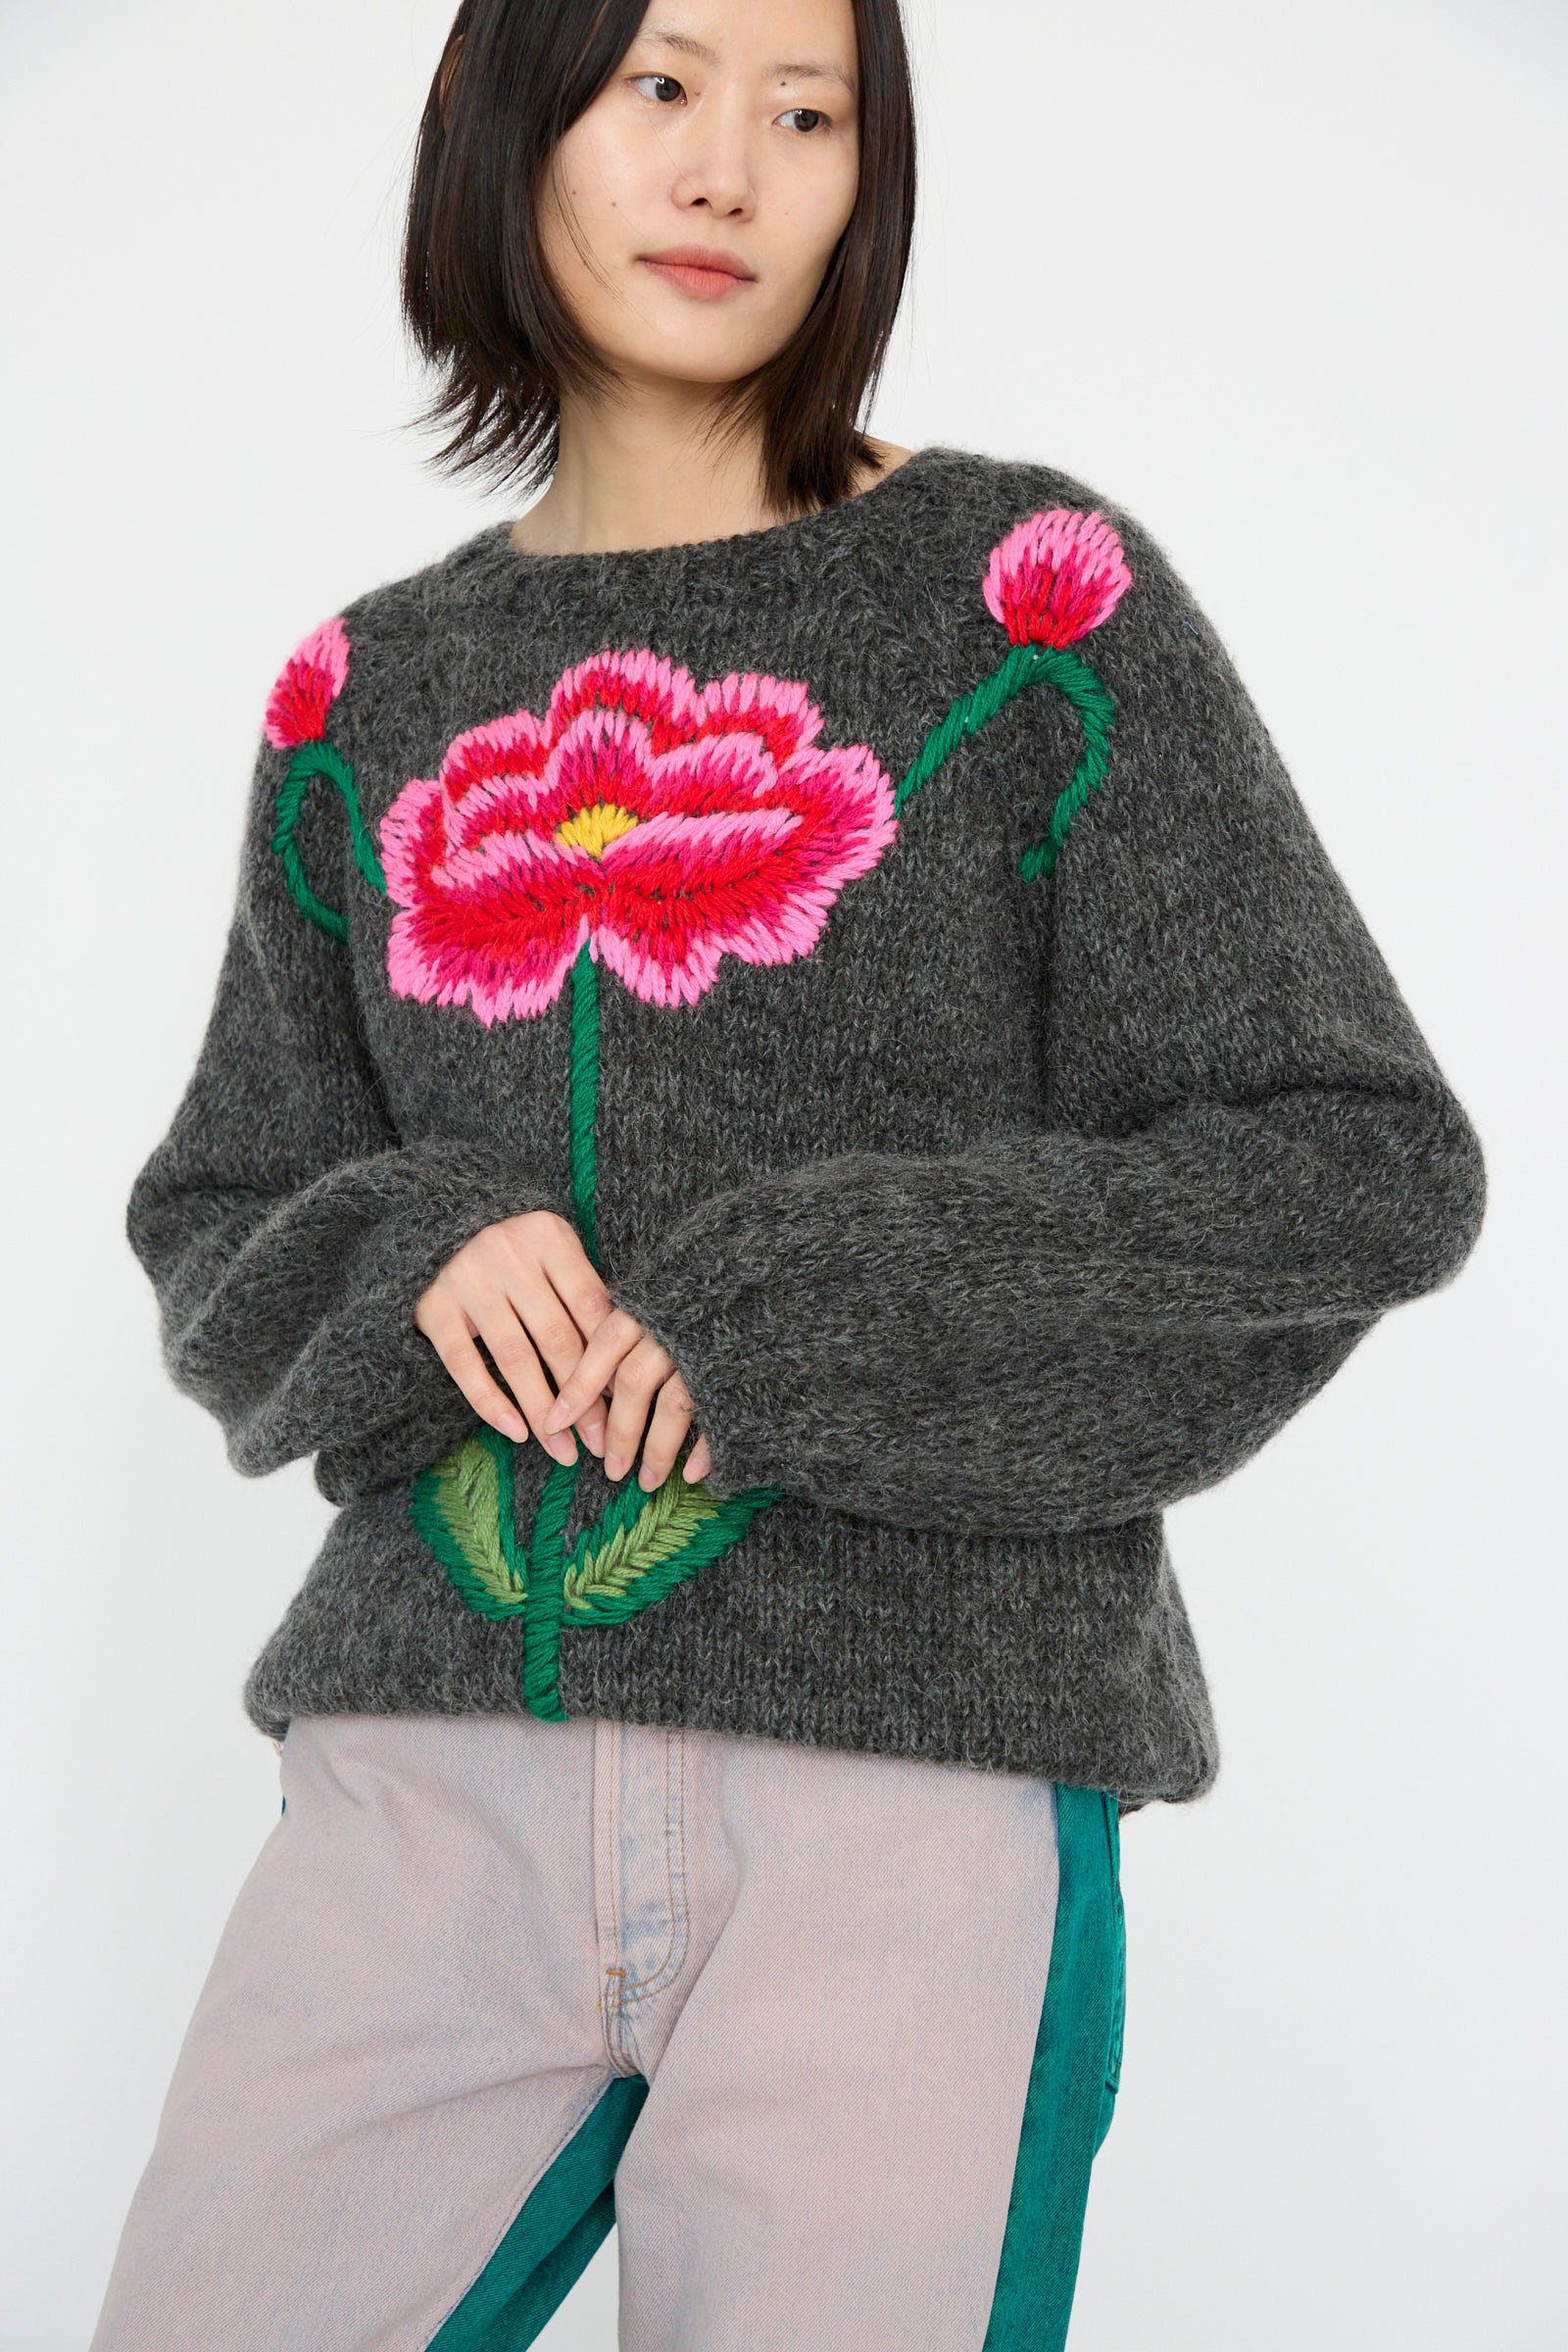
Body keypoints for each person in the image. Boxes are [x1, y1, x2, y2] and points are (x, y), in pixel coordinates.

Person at [88, 0, 1488, 2346]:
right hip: (426, 1765)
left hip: (913, 1778)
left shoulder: (1027, 606)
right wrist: (417, 1242)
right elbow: (221, 1216)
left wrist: (831, 1290)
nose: (728, 165)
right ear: (501, 120)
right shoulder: (363, 694)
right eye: (657, 81)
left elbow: (1351, 1159)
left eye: (805, 108)